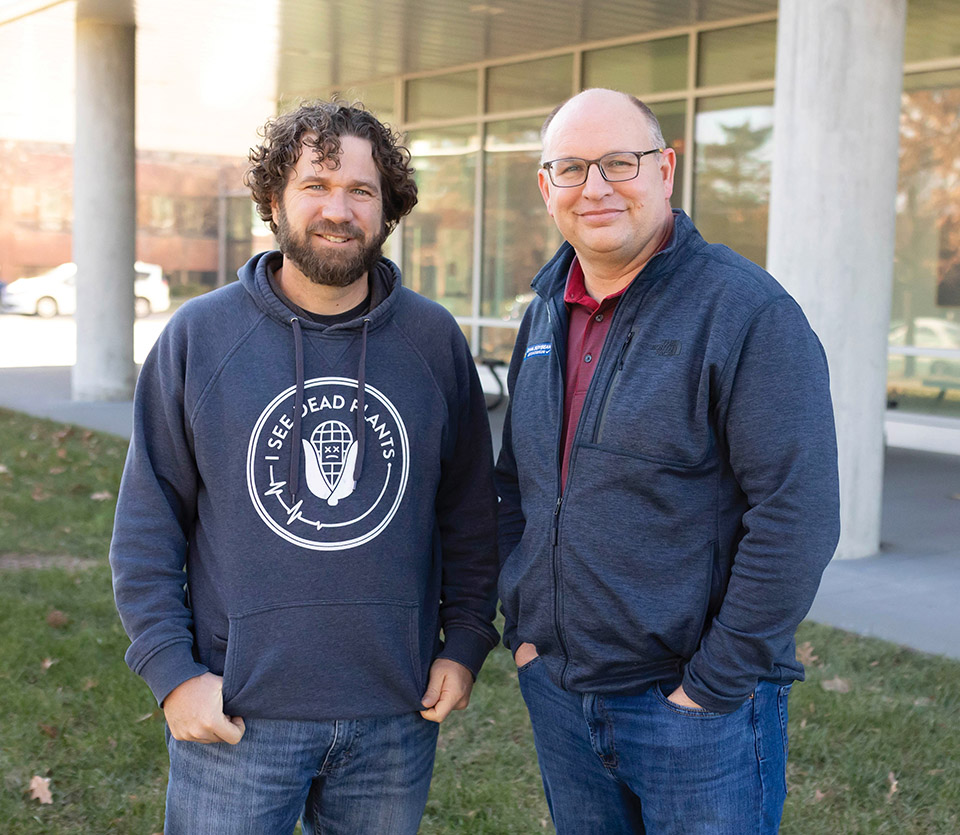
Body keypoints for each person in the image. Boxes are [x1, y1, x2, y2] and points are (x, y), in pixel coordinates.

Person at [109, 100, 499, 835]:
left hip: (395, 710)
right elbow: (148, 518)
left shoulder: (433, 339)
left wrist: (467, 640)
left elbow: (470, 510)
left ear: (388, 210)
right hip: (237, 713)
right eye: (316, 184)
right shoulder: (201, 336)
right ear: (274, 200)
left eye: (361, 190)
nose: (338, 209)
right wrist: (172, 674)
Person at [495, 88, 840, 834]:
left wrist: (712, 684)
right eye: (571, 168)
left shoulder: (746, 313)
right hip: (560, 689)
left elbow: (797, 514)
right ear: (546, 186)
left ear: (666, 170)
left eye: (620, 162)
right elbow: (513, 485)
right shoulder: (545, 312)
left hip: (693, 712)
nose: (596, 188)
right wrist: (524, 631)